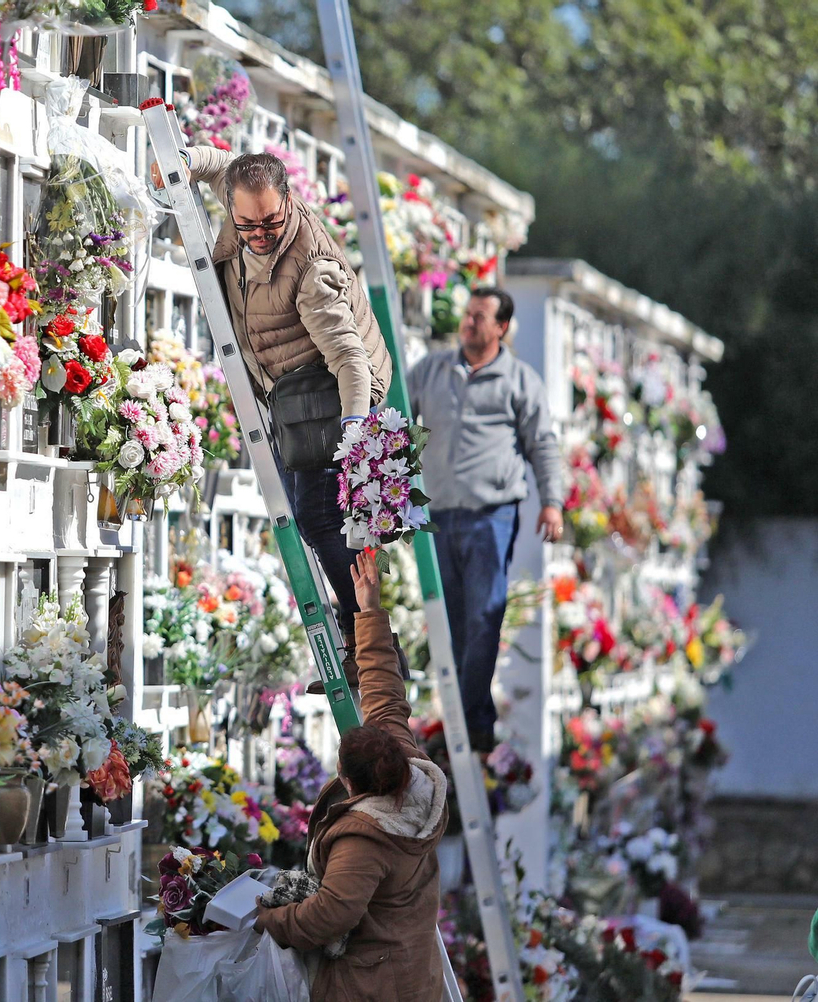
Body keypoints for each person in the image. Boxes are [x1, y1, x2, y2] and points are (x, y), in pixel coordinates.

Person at [152, 148, 392, 691]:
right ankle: (366, 639)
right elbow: (224, 165)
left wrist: (355, 437)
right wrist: (184, 159)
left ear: (288, 200)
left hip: (340, 392)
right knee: (307, 512)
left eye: (272, 222)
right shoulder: (246, 195)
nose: (260, 233)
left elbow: (351, 360)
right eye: (247, 224)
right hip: (291, 394)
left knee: (318, 516)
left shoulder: (310, 271)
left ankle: (370, 646)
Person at [252, 549, 448, 1000]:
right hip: (413, 971)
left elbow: (328, 917)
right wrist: (369, 609)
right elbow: (384, 687)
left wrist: (264, 917)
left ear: (352, 783)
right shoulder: (409, 773)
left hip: (371, 985)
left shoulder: (365, 839)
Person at [408, 287, 564, 751]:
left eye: (480, 317)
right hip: (436, 516)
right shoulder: (433, 369)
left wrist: (552, 502)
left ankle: (466, 715)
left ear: (502, 327)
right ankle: (471, 721)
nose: (470, 323)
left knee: (485, 617)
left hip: (490, 518)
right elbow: (393, 413)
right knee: (452, 624)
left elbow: (543, 444)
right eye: (468, 314)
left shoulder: (519, 380)